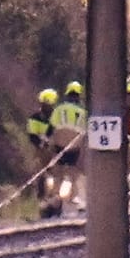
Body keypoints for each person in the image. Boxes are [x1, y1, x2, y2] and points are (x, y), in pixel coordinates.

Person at [48, 81, 88, 211]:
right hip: (75, 146)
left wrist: (51, 144)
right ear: (78, 95)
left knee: (58, 173)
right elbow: (87, 131)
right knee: (73, 173)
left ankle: (55, 198)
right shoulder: (82, 112)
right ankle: (74, 197)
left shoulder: (59, 109)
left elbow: (50, 128)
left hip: (59, 144)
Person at [28, 89, 58, 201]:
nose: (48, 107)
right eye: (46, 104)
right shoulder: (34, 118)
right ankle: (41, 197)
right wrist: (42, 144)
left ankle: (56, 198)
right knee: (40, 173)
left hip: (55, 150)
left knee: (57, 174)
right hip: (40, 150)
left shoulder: (56, 117)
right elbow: (32, 136)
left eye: (50, 105)